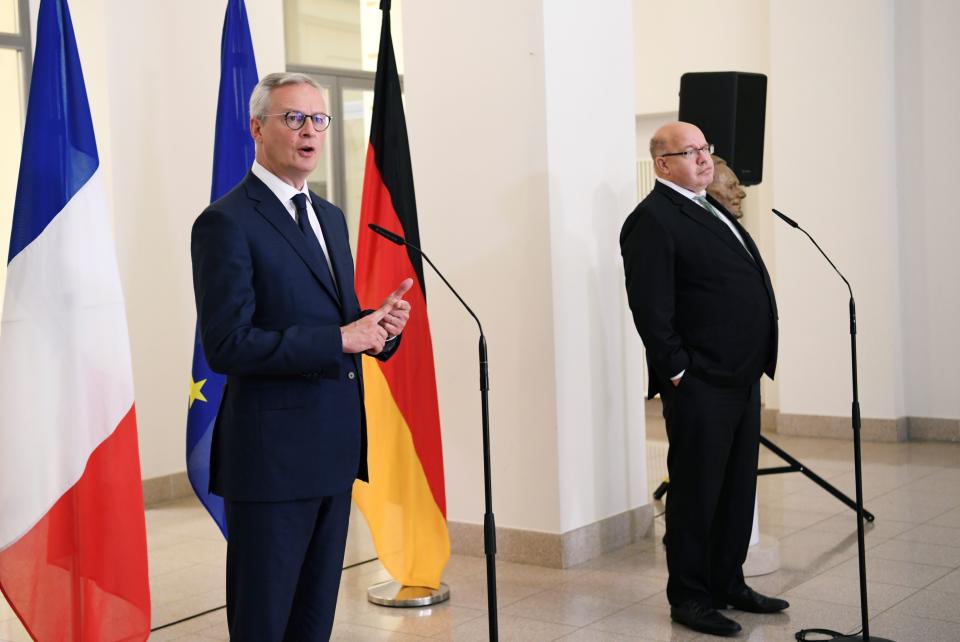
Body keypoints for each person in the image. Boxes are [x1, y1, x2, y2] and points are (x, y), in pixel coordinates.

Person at [191, 72, 413, 641]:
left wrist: (378, 329)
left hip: (334, 453)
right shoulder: (226, 222)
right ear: (257, 127)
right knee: (265, 622)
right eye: (293, 118)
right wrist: (342, 339)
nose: (309, 131)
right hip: (270, 462)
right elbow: (228, 344)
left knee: (313, 622)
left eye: (318, 119)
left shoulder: (330, 216)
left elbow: (336, 319)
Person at [620, 121, 785, 637]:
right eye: (690, 152)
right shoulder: (651, 219)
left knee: (736, 487)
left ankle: (727, 581)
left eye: (705, 149)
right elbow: (651, 308)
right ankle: (689, 596)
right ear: (663, 163)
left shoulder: (707, 204)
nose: (704, 159)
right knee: (695, 492)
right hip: (700, 383)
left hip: (739, 375)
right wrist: (678, 372)